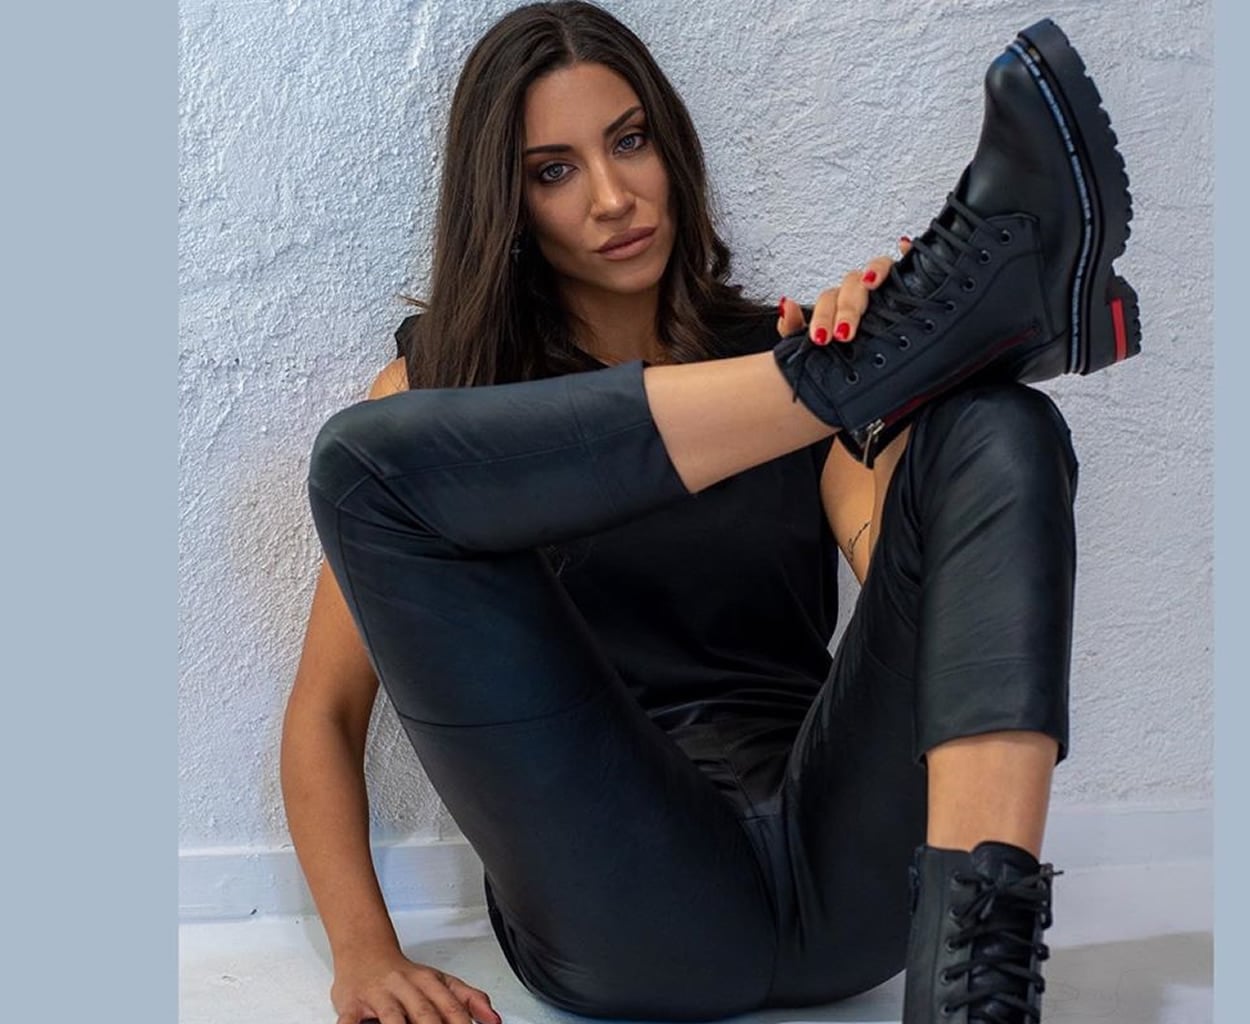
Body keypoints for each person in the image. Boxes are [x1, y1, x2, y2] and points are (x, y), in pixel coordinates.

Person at [280, 3, 1139, 1023]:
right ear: (505, 203)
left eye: (629, 141)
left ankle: (976, 989)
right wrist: (363, 953)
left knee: (1002, 420)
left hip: (845, 885)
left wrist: (927, 405)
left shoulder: (786, 342)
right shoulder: (444, 406)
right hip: (625, 904)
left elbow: (936, 597)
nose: (612, 197)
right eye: (553, 171)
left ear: (671, 148)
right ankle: (922, 342)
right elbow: (325, 712)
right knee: (362, 462)